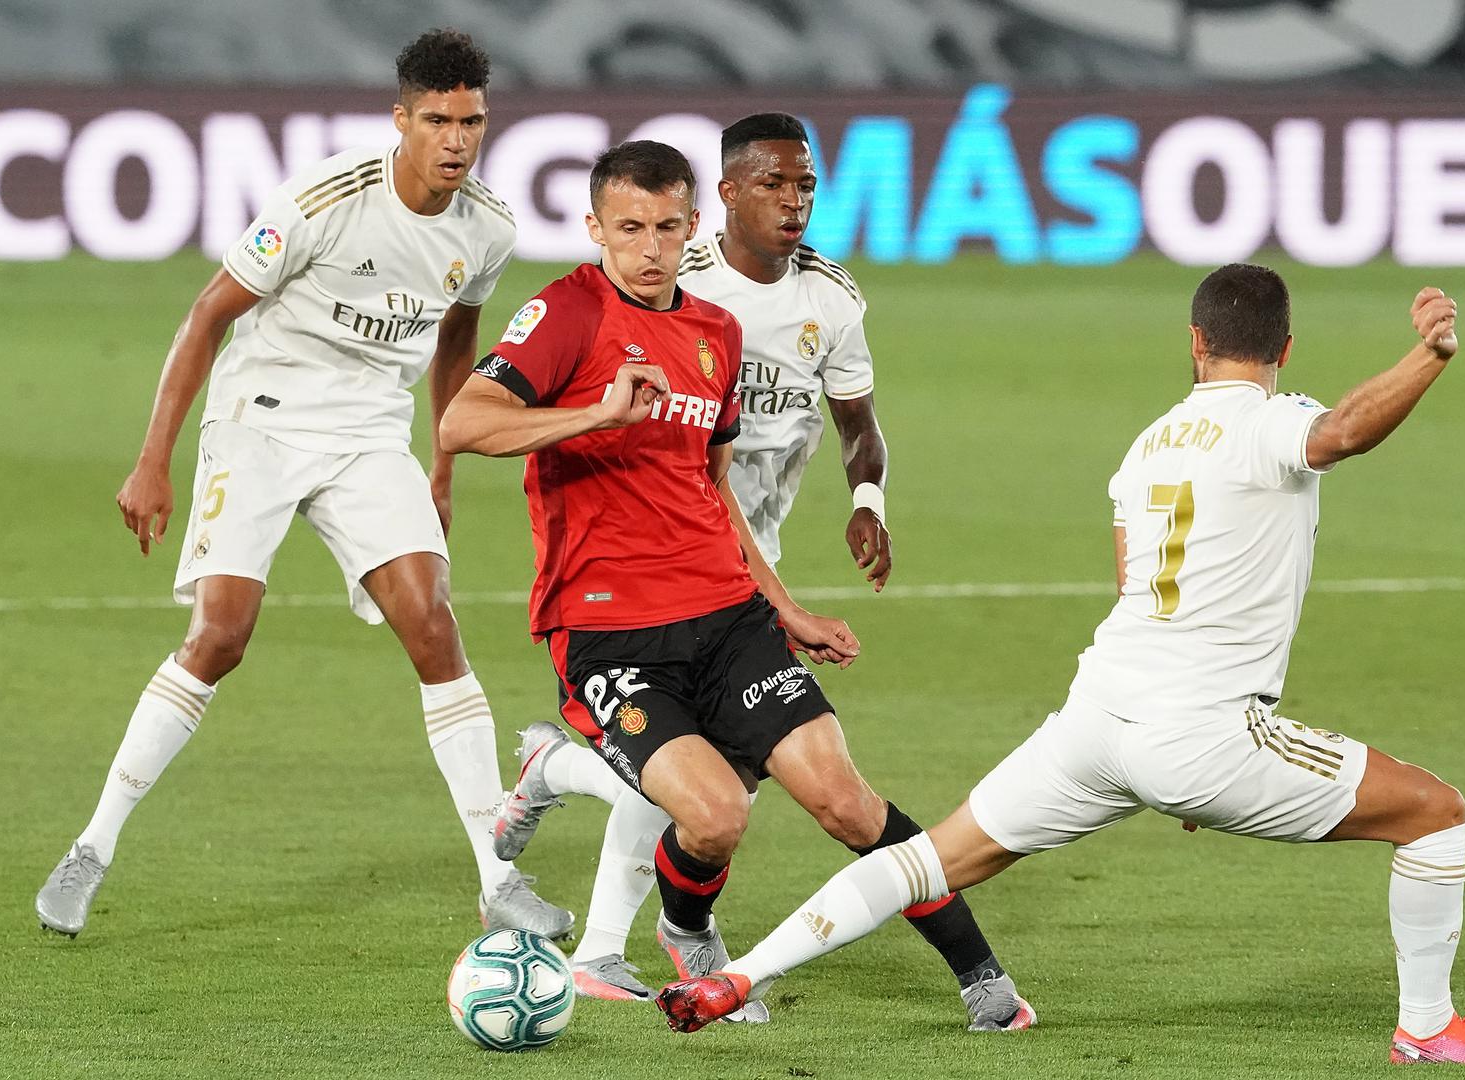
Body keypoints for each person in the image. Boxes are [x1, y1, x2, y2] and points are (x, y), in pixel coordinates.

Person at [655, 267, 1465, 1067]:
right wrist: (1429, 354)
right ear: (1284, 348)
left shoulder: (1146, 446)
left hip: (1096, 720)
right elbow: (1343, 432)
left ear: (1194, 343)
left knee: (929, 860)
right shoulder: (1273, 421)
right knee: (1435, 816)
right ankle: (1426, 1028)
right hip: (1198, 732)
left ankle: (734, 977)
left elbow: (1133, 583)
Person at [440, 139, 1032, 1031]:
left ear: (692, 228)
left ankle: (981, 976)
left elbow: (710, 487)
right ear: (595, 226)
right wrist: (595, 411)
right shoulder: (566, 313)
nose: (648, 248)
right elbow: (460, 421)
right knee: (714, 817)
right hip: (608, 633)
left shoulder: (711, 333)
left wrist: (784, 607)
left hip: (726, 615)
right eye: (629, 228)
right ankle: (682, 918)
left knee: (845, 800)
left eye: (667, 228)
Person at [34, 29, 571, 941]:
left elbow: (455, 341)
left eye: (472, 121)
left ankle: (496, 874)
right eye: (437, 120)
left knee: (435, 628)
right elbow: (208, 314)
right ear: (400, 119)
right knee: (221, 636)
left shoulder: (487, 226)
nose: (456, 139)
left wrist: (439, 462)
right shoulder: (323, 200)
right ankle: (92, 846)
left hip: (368, 434)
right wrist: (153, 458)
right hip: (263, 419)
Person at [487, 110, 920, 1008]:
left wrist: (866, 503)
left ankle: (560, 781)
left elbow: (855, 424)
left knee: (719, 774)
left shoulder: (827, 299)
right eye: (773, 183)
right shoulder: (662, 279)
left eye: (805, 185)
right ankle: (616, 942)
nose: (793, 201)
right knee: (705, 779)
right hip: (657, 559)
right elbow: (526, 390)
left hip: (746, 547)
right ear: (723, 198)